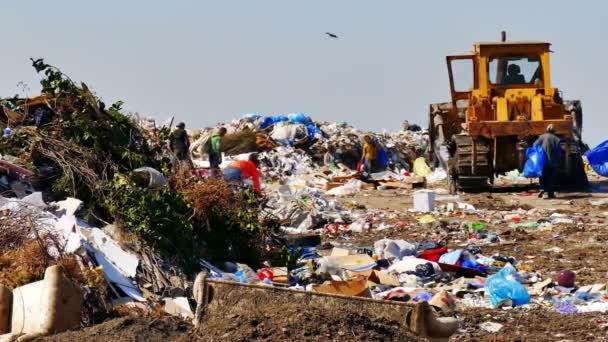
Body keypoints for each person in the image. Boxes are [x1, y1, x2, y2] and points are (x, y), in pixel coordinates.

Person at [534, 124, 561, 199]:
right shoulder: (557, 139)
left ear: (546, 130)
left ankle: (542, 188)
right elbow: (559, 152)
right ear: (554, 131)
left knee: (542, 175)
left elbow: (534, 145)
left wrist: (538, 153)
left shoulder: (541, 137)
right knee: (551, 177)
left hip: (542, 161)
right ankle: (550, 193)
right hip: (552, 162)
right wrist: (559, 159)